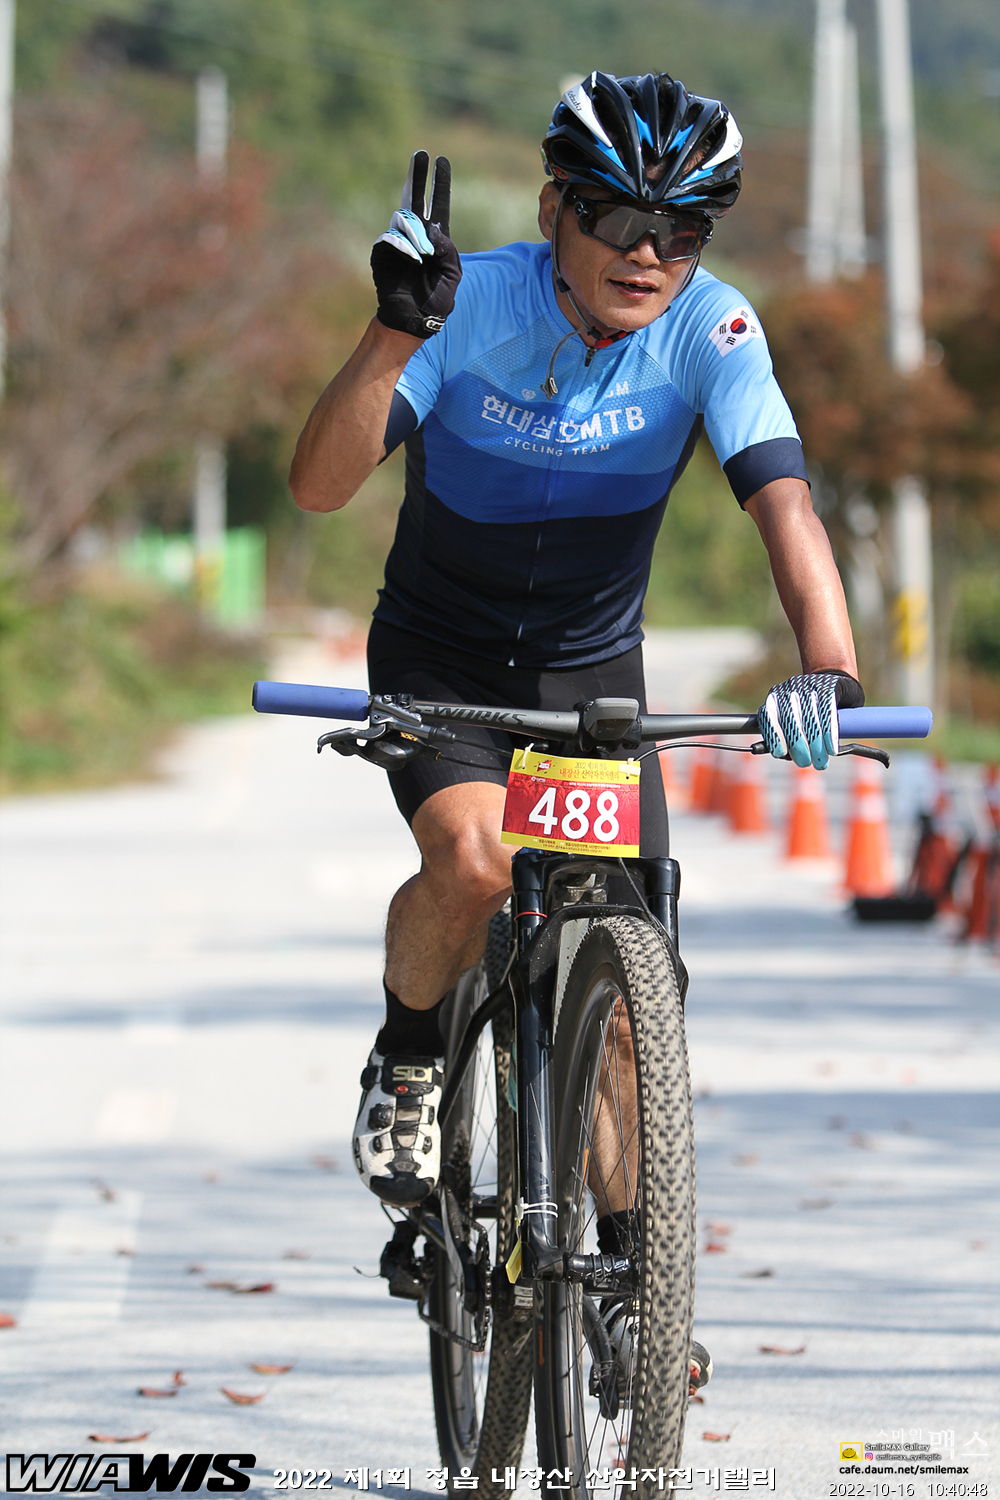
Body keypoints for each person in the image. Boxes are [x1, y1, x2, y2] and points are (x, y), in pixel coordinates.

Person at [290, 71, 862, 1228]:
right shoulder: (468, 304)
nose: (646, 253)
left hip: (593, 675)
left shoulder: (712, 328)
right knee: (477, 861)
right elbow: (318, 486)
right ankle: (410, 1055)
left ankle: (630, 1278)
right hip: (442, 658)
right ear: (555, 205)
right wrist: (395, 334)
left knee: (629, 993)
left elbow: (785, 504)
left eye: (680, 230)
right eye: (616, 217)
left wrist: (829, 667)